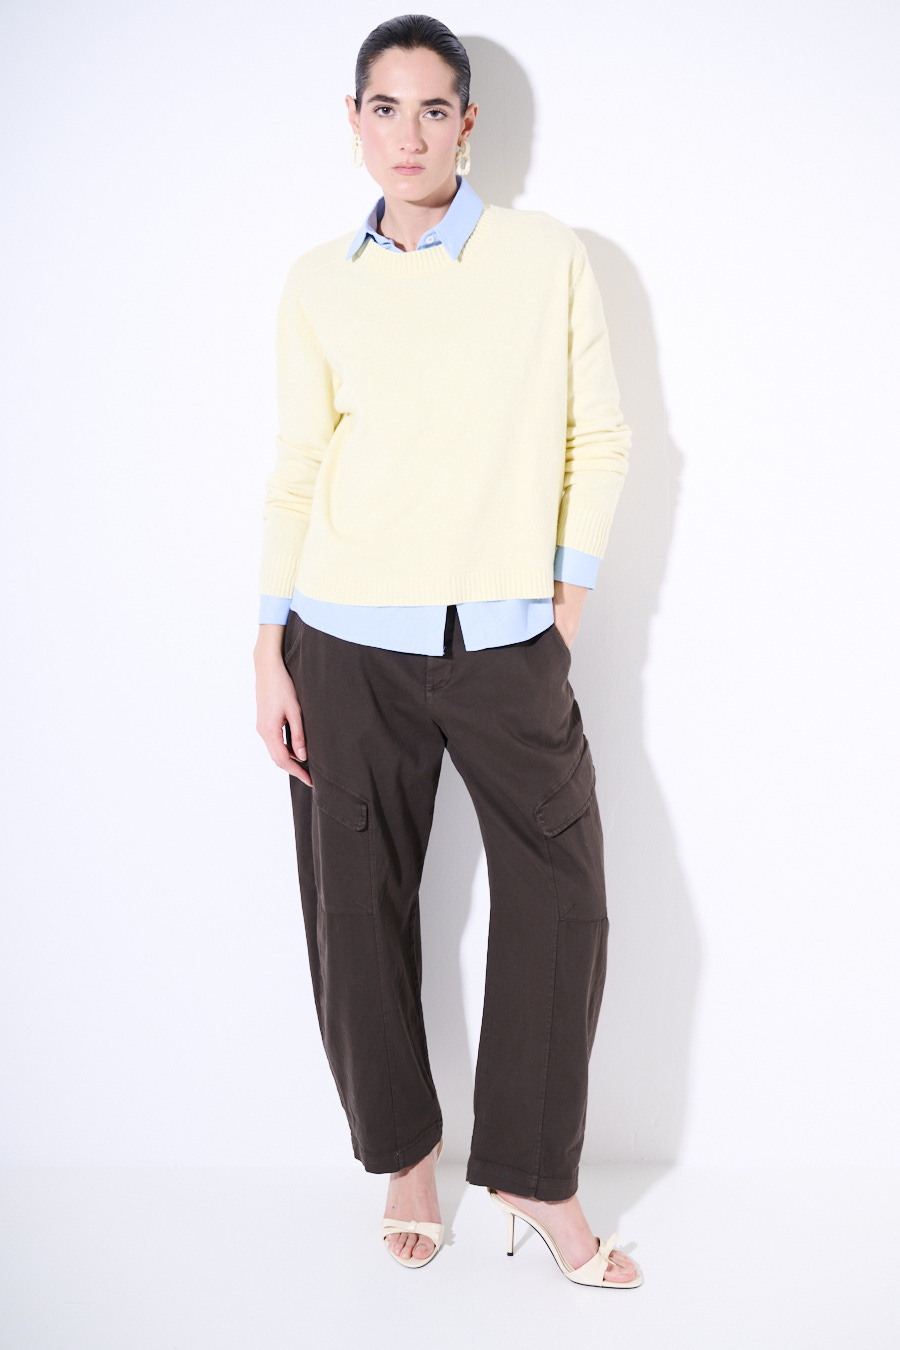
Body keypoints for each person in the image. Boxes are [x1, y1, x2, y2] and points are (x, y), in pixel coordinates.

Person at [253, 15, 642, 1289]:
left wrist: (561, 609)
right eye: (385, 108)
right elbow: (299, 464)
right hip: (341, 640)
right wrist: (268, 645)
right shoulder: (319, 281)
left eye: (434, 109)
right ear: (354, 121)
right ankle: (404, 1159)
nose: (408, 134)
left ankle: (535, 1173)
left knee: (565, 895)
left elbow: (600, 437)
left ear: (468, 125)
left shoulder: (544, 256)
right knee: (354, 907)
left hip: (504, 642)